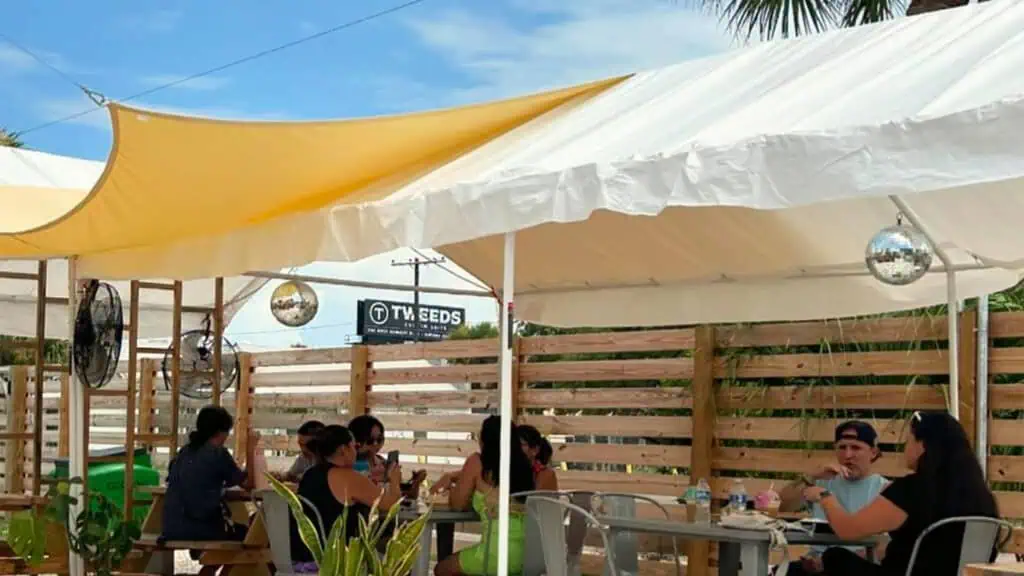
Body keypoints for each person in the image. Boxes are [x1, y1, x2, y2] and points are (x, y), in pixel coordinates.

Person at [802, 412, 999, 576]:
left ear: (922, 446)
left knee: (835, 557)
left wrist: (824, 496)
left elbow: (848, 530)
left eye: (908, 441)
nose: (905, 448)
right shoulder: (983, 497)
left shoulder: (912, 489)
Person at [779, 420, 888, 574]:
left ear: (873, 452)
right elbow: (782, 506)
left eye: (856, 448)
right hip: (813, 565)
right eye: (842, 448)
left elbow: (886, 547)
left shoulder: (883, 489)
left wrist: (830, 563)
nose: (847, 455)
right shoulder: (823, 481)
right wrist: (811, 476)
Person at [290, 425, 403, 572]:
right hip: (334, 560)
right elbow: (390, 505)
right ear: (344, 449)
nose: (356, 451)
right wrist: (394, 480)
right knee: (400, 557)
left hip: (300, 557)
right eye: (354, 446)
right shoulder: (348, 476)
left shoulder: (310, 474)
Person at [432, 416, 535, 576]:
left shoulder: (477, 462)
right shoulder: (524, 468)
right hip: (529, 556)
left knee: (442, 569)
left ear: (484, 440)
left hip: (496, 554)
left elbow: (457, 504)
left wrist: (453, 486)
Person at [161, 406, 257, 576]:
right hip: (201, 526)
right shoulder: (218, 454)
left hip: (171, 526)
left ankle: (209, 570)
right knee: (252, 536)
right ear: (221, 431)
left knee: (237, 533)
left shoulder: (185, 452)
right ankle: (210, 570)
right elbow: (248, 484)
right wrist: (250, 449)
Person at [518, 424, 559, 491]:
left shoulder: (546, 475)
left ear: (535, 450)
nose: (515, 448)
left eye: (521, 444)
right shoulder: (504, 471)